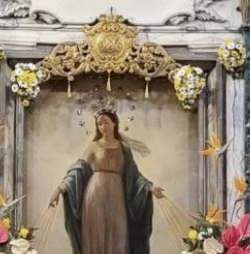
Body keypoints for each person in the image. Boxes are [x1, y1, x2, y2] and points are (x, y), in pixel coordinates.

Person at [49, 109, 164, 254]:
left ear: (114, 123)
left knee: (118, 233)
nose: (102, 127)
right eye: (99, 124)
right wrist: (59, 189)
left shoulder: (124, 148)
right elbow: (78, 170)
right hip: (95, 195)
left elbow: (133, 175)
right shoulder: (94, 146)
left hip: (117, 195)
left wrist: (150, 188)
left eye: (106, 122)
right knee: (97, 233)